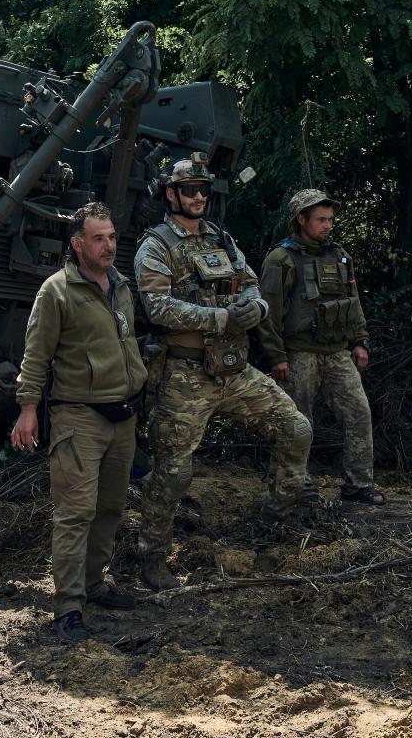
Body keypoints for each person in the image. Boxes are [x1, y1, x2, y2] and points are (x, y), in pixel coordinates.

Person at [133, 155, 313, 591]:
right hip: (184, 373)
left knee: (296, 429)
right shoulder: (155, 245)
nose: (198, 197)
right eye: (190, 189)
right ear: (171, 194)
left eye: (203, 190)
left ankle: (270, 520)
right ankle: (151, 558)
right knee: (173, 471)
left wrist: (258, 308)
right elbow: (156, 306)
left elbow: (251, 285)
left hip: (235, 371)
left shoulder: (222, 240)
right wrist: (219, 319)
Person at [12, 201, 148, 644]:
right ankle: (69, 605)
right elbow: (37, 354)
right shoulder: (57, 291)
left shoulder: (121, 285)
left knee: (110, 507)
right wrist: (28, 407)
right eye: (98, 238)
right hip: (78, 417)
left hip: (122, 416)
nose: (109, 246)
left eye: (111, 237)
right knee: (75, 513)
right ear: (77, 243)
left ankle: (94, 585)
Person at [259, 189, 385, 505]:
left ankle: (359, 485)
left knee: (358, 412)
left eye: (330, 219)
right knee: (297, 421)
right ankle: (296, 486)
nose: (328, 225)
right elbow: (267, 311)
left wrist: (360, 341)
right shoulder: (281, 259)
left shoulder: (339, 256)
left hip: (337, 351)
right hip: (298, 352)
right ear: (301, 220)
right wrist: (276, 355)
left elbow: (352, 303)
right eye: (321, 219)